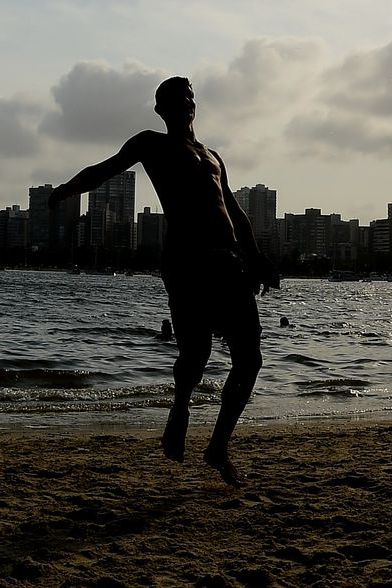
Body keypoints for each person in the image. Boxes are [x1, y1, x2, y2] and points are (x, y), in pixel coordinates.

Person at [48, 76, 279, 487]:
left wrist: (257, 256)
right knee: (196, 355)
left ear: (195, 105)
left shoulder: (213, 156)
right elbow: (102, 170)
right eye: (173, 100)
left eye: (188, 97)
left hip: (231, 265)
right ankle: (180, 408)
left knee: (250, 359)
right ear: (160, 110)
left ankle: (218, 446)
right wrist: (65, 190)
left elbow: (235, 212)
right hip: (187, 263)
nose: (184, 104)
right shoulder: (151, 143)